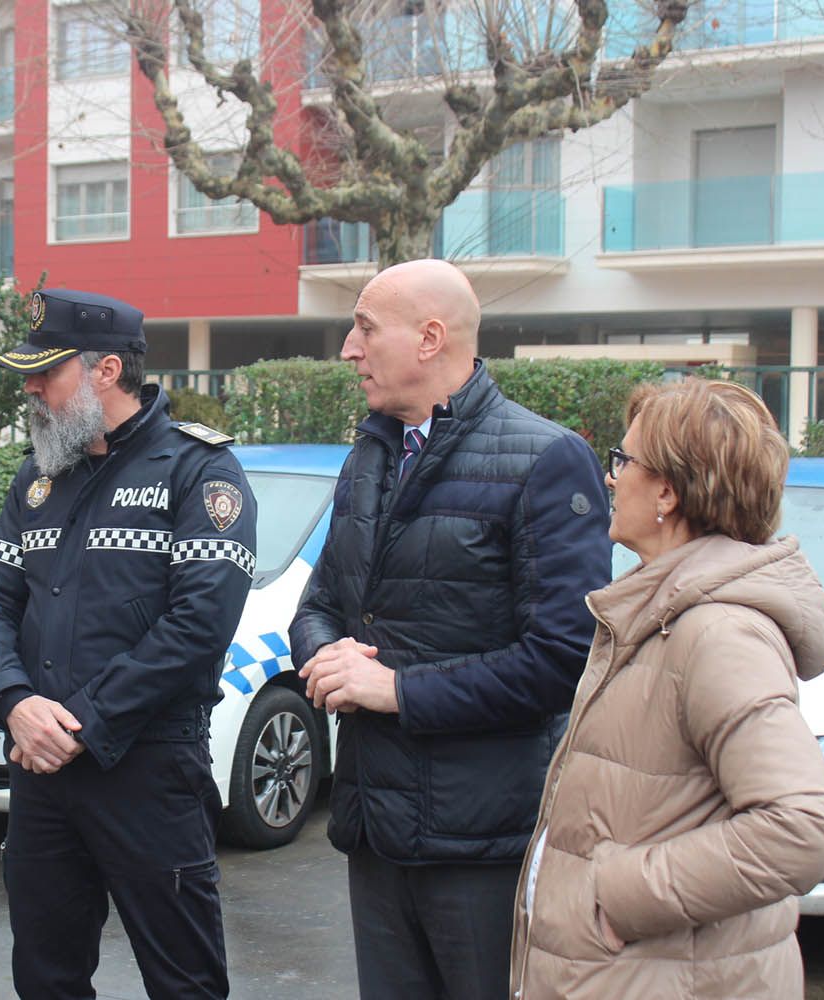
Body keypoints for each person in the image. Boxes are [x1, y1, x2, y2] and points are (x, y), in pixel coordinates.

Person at [289, 259, 612, 1000]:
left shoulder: (547, 459)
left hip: (480, 846)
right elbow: (318, 603)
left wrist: (397, 690)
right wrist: (325, 654)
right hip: (374, 831)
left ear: (431, 337)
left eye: (366, 328)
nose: (349, 348)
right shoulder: (369, 455)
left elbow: (564, 660)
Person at [0, 288, 256, 999]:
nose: (31, 388)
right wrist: (15, 702)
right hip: (42, 771)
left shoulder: (199, 471)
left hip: (148, 770)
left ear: (105, 372)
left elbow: (197, 628)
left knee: (184, 981)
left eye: (47, 372)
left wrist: (83, 725)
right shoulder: (37, 477)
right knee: (45, 975)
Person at [510, 378, 824, 1000]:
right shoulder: (658, 611)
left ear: (667, 491)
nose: (610, 479)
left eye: (623, 461)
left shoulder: (718, 633)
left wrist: (618, 895)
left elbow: (799, 830)